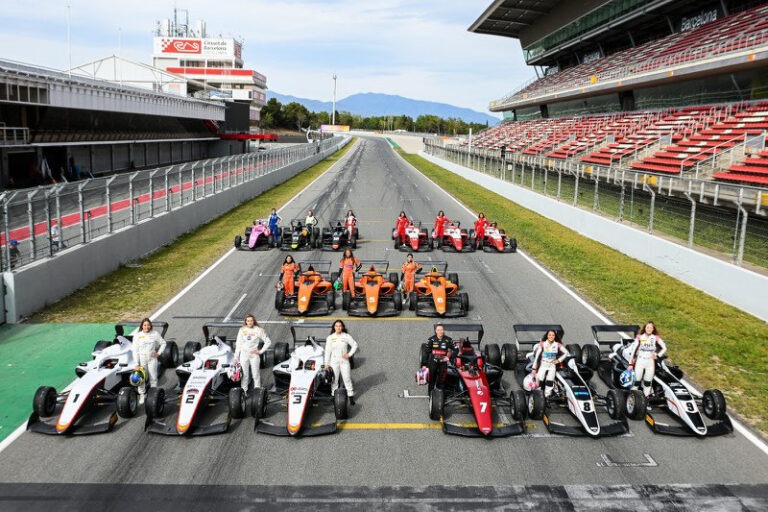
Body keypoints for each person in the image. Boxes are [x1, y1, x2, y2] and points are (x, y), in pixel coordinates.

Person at [131, 318, 167, 403]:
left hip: (152, 359)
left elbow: (163, 343)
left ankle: (153, 395)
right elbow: (135, 350)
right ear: (142, 326)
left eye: (148, 325)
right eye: (145, 325)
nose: (146, 327)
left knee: (153, 378)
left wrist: (158, 353)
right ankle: (142, 395)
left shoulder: (155, 334)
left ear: (150, 326)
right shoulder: (137, 336)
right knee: (141, 378)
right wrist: (136, 363)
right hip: (142, 360)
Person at [628, 321, 667, 398]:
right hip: (640, 361)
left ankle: (645, 401)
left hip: (650, 363)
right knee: (636, 382)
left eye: (651, 328)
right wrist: (630, 364)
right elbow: (633, 351)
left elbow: (664, 348)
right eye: (647, 327)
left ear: (653, 329)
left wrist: (658, 355)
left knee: (647, 383)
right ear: (645, 328)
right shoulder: (639, 337)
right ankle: (632, 399)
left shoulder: (656, 338)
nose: (649, 329)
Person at [324, 319, 358, 405]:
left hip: (344, 361)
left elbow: (354, 345)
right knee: (334, 380)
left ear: (342, 327)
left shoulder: (346, 336)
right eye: (336, 326)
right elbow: (327, 351)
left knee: (347, 379)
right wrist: (326, 364)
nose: (338, 327)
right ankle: (333, 396)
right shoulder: (330, 338)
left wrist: (349, 354)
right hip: (334, 361)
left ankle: (351, 397)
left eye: (340, 326)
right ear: (334, 327)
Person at [234, 314, 272, 392]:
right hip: (244, 355)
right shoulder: (242, 330)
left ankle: (257, 392)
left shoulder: (258, 330)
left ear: (254, 321)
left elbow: (268, 342)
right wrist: (236, 357)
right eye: (248, 321)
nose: (250, 322)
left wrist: (260, 351)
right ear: (246, 322)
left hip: (254, 355)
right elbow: (238, 344)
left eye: (251, 320)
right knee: (245, 376)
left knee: (256, 375)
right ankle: (243, 393)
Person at [531, 330, 569, 398]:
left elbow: (566, 353)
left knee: (550, 382)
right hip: (543, 364)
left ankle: (547, 396)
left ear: (555, 336)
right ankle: (537, 396)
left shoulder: (557, 345)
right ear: (547, 336)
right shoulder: (542, 344)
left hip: (552, 365)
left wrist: (559, 360)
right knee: (540, 380)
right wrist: (534, 368)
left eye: (553, 335)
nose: (551, 336)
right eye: (550, 335)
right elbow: (537, 357)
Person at [422, 324, 455, 391]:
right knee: (431, 379)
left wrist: (449, 357)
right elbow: (426, 352)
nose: (440, 331)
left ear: (443, 330)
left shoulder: (448, 340)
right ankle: (430, 394)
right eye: (438, 330)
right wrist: (424, 364)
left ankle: (440, 393)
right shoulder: (431, 340)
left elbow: (456, 349)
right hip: (433, 362)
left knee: (442, 379)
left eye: (442, 330)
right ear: (436, 331)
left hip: (443, 362)